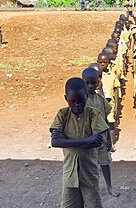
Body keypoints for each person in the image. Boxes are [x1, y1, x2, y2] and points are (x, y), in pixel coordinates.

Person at [50, 77, 108, 208]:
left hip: (89, 173)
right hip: (70, 174)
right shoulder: (62, 114)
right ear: (66, 99)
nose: (77, 104)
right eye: (73, 101)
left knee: (94, 204)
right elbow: (55, 141)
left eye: (81, 101)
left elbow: (97, 141)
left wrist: (67, 141)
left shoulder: (94, 114)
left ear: (86, 96)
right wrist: (87, 140)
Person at [82, 68, 120, 198]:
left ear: (98, 82)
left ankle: (109, 186)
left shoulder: (99, 98)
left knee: (105, 163)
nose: (90, 86)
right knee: (89, 166)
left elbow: (105, 118)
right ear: (83, 83)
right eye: (87, 83)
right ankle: (89, 189)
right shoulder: (81, 100)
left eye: (93, 83)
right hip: (87, 139)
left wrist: (109, 138)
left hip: (101, 137)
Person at [97, 53, 121, 145]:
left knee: (111, 124)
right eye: (100, 62)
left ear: (109, 63)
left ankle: (110, 143)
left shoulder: (112, 75)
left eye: (105, 62)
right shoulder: (95, 74)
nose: (102, 64)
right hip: (98, 104)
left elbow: (116, 90)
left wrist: (116, 106)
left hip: (109, 104)